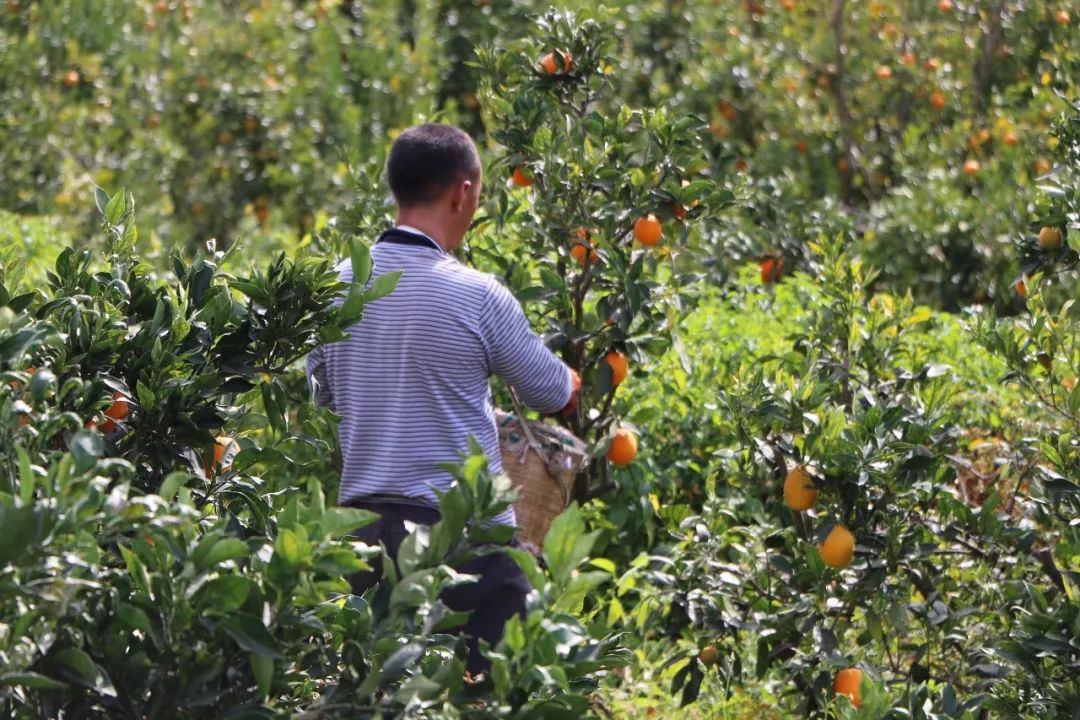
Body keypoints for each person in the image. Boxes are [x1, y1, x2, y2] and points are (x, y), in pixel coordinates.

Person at [305, 123, 579, 674]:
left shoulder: (334, 289)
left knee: (372, 692)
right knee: (505, 688)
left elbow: (326, 398)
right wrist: (570, 381)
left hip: (360, 536)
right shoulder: (477, 295)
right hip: (459, 537)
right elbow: (551, 394)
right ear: (464, 192)